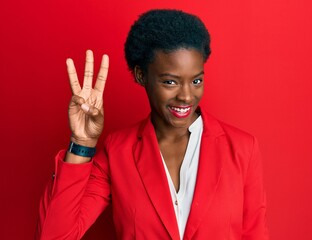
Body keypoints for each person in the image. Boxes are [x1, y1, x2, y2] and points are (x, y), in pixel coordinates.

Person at [36, 9, 269, 240]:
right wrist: (81, 143)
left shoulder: (242, 148)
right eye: (170, 82)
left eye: (196, 80)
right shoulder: (118, 151)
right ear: (141, 75)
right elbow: (54, 236)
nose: (187, 96)